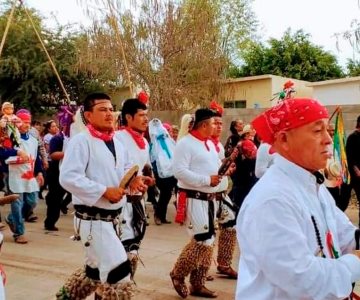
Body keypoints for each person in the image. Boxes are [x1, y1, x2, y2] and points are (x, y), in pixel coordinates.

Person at [236, 98, 360, 299]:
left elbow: (343, 235)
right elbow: (302, 279)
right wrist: (355, 261)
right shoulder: (272, 199)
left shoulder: (312, 184)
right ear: (284, 139)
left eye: (327, 130)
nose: (328, 139)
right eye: (317, 131)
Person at [58, 93, 149, 299]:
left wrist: (135, 180)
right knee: (119, 275)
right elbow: (68, 177)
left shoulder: (117, 141)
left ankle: (65, 297)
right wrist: (103, 190)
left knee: (93, 273)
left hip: (114, 218)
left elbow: (125, 168)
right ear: (88, 115)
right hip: (92, 220)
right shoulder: (81, 141)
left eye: (110, 109)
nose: (109, 114)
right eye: (102, 109)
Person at [170, 108, 222, 299]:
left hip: (210, 198)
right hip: (194, 197)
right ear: (203, 125)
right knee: (201, 239)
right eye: (214, 123)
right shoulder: (185, 144)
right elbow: (179, 171)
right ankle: (177, 274)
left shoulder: (208, 143)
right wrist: (207, 180)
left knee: (209, 241)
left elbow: (214, 168)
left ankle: (197, 284)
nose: (216, 127)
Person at [115, 92, 154, 279]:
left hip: (137, 202)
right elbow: (115, 169)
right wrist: (130, 179)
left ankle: (124, 291)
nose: (146, 119)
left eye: (147, 115)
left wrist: (146, 176)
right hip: (120, 203)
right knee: (116, 256)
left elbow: (141, 166)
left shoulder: (145, 141)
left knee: (132, 251)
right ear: (128, 117)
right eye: (141, 115)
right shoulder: (117, 138)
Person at [5, 110, 44, 244]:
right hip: (14, 175)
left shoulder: (33, 139)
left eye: (28, 122)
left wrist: (39, 172)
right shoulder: (9, 137)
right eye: (23, 122)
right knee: (17, 203)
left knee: (32, 202)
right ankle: (19, 233)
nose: (26, 125)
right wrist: (16, 152)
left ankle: (11, 219)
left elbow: (36, 157)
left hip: (29, 175)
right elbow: (3, 152)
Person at [208, 101, 238, 280]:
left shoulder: (217, 145)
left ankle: (224, 264)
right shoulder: (197, 144)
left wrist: (227, 166)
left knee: (230, 225)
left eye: (220, 123)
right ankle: (200, 268)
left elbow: (219, 167)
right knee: (205, 236)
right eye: (215, 123)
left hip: (221, 194)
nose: (219, 127)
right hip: (206, 197)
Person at [148, 118, 177, 225]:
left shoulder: (168, 140)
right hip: (160, 172)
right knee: (164, 194)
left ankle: (162, 216)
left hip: (171, 171)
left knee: (167, 194)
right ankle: (158, 215)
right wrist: (154, 173)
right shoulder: (154, 143)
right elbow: (153, 158)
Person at [344, 115, 360, 220]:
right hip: (353, 175)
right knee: (343, 201)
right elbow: (349, 157)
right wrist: (356, 170)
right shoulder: (352, 137)